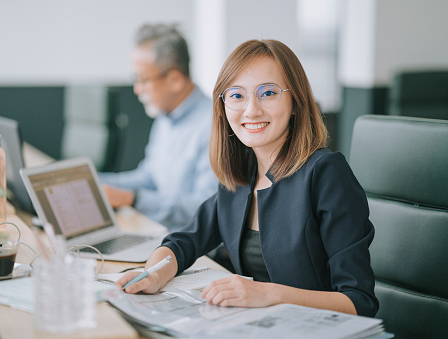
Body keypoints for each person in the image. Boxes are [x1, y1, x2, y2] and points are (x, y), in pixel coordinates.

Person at [115, 39, 379, 317]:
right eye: (237, 95)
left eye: (267, 93)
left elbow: (359, 302)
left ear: (296, 102)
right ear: (223, 106)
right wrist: (154, 273)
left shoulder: (325, 173)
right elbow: (183, 242)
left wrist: (269, 294)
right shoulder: (240, 174)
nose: (251, 110)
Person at [98, 24, 218, 231]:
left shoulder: (213, 126)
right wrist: (91, 180)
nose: (137, 89)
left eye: (143, 79)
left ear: (174, 80)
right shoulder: (165, 118)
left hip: (196, 249)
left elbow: (207, 206)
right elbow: (149, 177)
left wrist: (133, 199)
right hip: (160, 232)